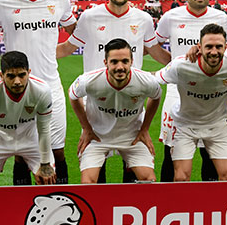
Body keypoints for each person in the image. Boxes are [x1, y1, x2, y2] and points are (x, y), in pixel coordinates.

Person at [58, 0, 170, 183]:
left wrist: (189, 63)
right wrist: (29, 58)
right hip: (96, 101)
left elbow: (156, 52)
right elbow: (67, 48)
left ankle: (128, 204)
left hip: (131, 98)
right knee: (97, 166)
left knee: (132, 167)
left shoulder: (143, 18)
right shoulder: (89, 17)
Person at [0, 0, 76, 185]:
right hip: (17, 88)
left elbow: (77, 32)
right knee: (21, 154)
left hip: (51, 85)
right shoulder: (2, 1)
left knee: (57, 150)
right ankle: (23, 204)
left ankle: (60, 196)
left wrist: (58, 52)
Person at [154, 0, 227, 182]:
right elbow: (153, 45)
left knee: (209, 153)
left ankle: (208, 198)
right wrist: (175, 65)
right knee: (171, 151)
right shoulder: (170, 17)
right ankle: (169, 196)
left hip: (212, 91)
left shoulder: (222, 18)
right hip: (177, 92)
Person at [155, 23, 227, 182]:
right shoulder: (181, 65)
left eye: (218, 47)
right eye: (208, 47)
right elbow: (154, 80)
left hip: (218, 124)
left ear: (226, 47)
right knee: (181, 177)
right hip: (185, 125)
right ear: (199, 47)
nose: (214, 52)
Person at [68, 38, 161, 183]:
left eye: (125, 61)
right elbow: (73, 95)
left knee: (149, 180)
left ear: (131, 61)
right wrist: (86, 128)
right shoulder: (89, 81)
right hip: (97, 137)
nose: (120, 67)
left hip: (132, 136)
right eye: (114, 62)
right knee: (87, 184)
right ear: (105, 62)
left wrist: (145, 129)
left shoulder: (146, 81)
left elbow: (156, 96)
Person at [0, 51, 56, 186]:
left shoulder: (42, 90)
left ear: (29, 72)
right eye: (11, 76)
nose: (17, 81)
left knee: (47, 180)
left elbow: (44, 129)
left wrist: (46, 163)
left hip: (30, 136)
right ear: (1, 75)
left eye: (22, 75)